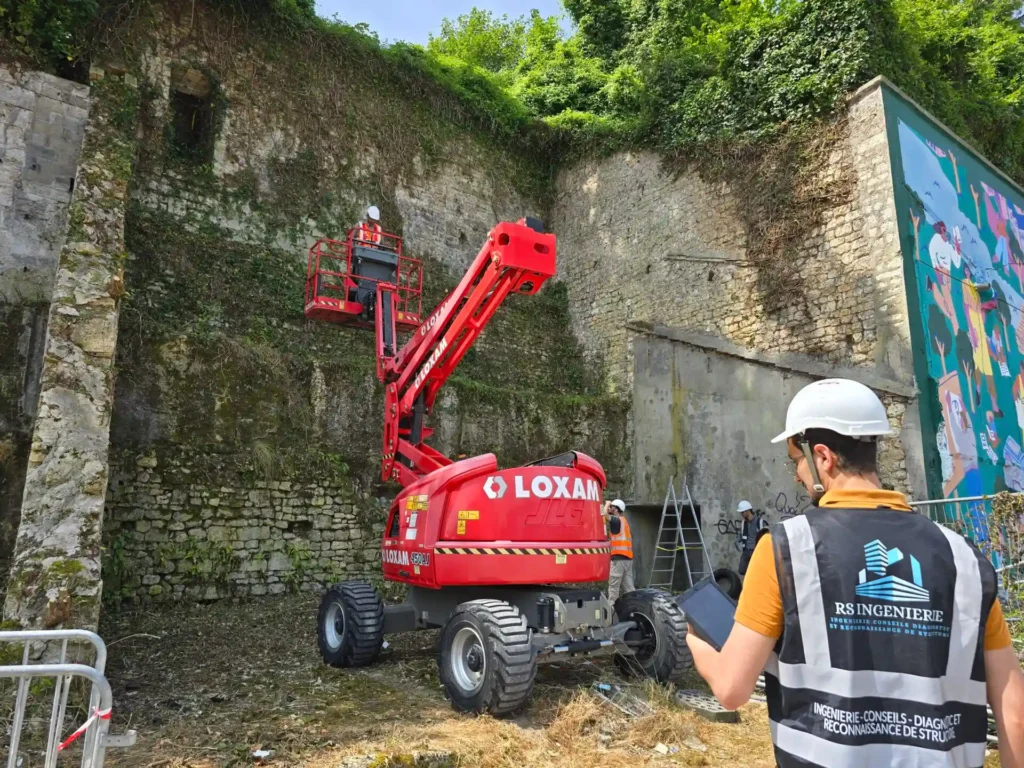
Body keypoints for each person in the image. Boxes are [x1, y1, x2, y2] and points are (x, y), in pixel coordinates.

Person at [685, 378, 1024, 768]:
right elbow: (1012, 711)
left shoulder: (786, 549)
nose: (796, 473)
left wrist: (693, 638)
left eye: (796, 458)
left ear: (823, 457)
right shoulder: (963, 557)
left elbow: (731, 689)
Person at [604, 499, 634, 603]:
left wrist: (607, 503)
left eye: (612, 506)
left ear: (616, 509)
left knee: (613, 589)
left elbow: (604, 514)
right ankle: (634, 608)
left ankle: (611, 614)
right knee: (629, 589)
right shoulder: (624, 521)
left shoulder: (616, 521)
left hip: (618, 561)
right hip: (628, 560)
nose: (610, 508)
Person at [736, 500, 766, 581]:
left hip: (756, 551)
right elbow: (740, 534)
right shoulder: (743, 523)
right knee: (742, 570)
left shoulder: (760, 522)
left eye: (742, 512)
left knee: (758, 572)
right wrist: (738, 541)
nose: (741, 514)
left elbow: (766, 537)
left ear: (748, 511)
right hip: (746, 551)